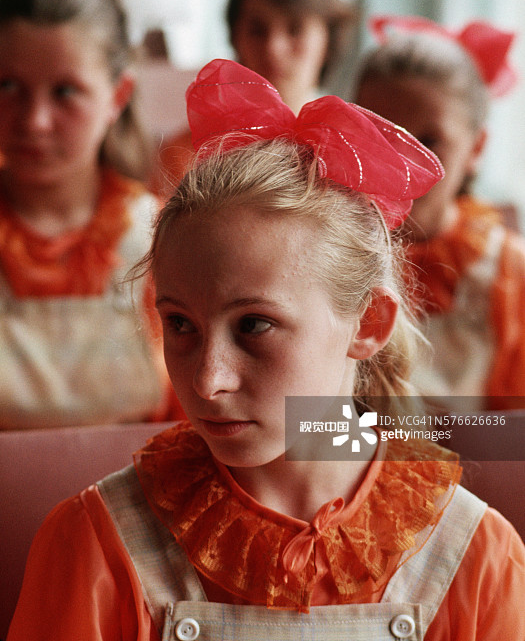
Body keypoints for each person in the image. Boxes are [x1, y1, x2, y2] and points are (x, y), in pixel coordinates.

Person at [8, 59, 525, 639]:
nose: (208, 381)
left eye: (254, 325)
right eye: (180, 325)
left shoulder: (472, 556)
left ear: (369, 324)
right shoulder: (100, 542)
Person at [0, 0, 184, 428]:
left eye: (65, 91)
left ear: (118, 96)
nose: (34, 120)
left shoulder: (163, 243)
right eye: (9, 86)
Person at [354, 14, 525, 410]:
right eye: (383, 135)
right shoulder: (320, 250)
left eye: (429, 140)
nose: (403, 164)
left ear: (476, 148)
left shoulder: (507, 275)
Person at [151, 0, 363, 195]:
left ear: (329, 38)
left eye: (295, 29)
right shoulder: (188, 155)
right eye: (257, 30)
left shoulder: (357, 154)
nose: (274, 48)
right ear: (235, 37)